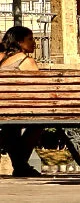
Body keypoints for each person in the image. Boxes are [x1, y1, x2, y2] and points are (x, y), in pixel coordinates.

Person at [2, 26, 43, 176]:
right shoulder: (27, 61)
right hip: (22, 108)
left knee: (10, 127)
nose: (34, 43)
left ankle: (20, 166)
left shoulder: (0, 57)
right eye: (30, 39)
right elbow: (40, 88)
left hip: (3, 109)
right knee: (39, 123)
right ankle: (20, 166)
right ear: (20, 42)